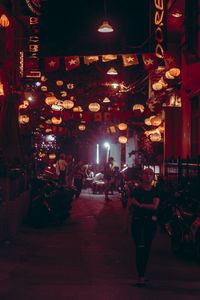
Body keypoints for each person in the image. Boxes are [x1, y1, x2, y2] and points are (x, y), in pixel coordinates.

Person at [124, 168, 160, 287]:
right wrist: (125, 225)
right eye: (146, 173)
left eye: (151, 174)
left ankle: (143, 274)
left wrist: (140, 205)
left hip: (150, 223)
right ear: (143, 176)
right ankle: (141, 277)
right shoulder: (136, 191)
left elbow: (155, 206)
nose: (148, 176)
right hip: (138, 222)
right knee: (140, 247)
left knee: (146, 249)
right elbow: (128, 207)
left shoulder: (155, 191)